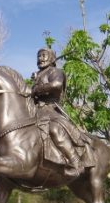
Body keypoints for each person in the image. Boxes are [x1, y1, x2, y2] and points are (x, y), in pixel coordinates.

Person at [31, 48, 84, 177]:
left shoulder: (56, 71)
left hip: (51, 109)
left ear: (52, 59)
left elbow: (56, 85)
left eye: (44, 55)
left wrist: (36, 88)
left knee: (54, 129)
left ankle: (76, 162)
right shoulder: (38, 75)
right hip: (36, 109)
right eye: (38, 56)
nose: (40, 58)